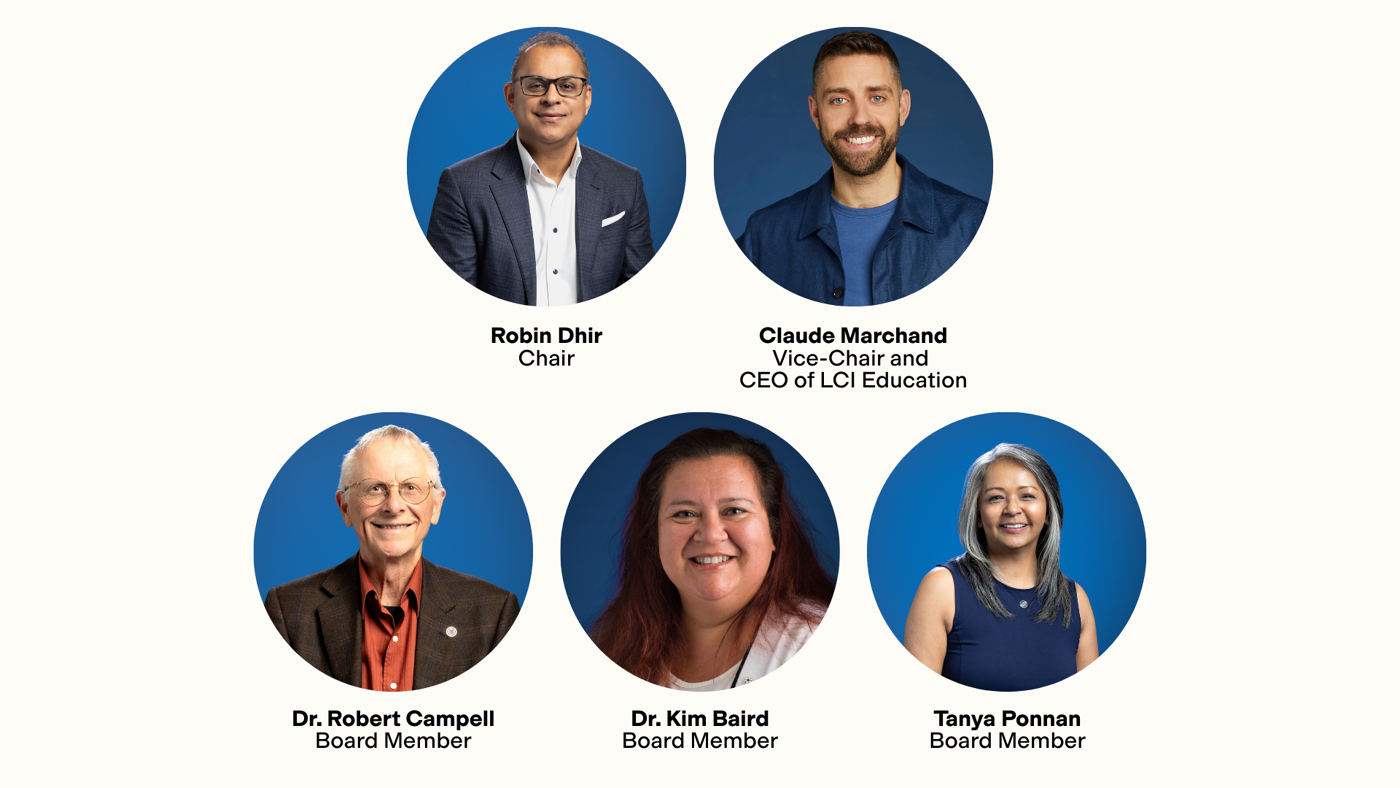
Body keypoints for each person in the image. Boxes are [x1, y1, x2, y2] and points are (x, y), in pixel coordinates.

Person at [737, 31, 986, 306]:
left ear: (902, 107)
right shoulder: (764, 237)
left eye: (877, 97)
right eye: (839, 100)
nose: (859, 118)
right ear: (816, 112)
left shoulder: (974, 228)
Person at [264, 425, 519, 691]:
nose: (394, 506)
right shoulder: (288, 612)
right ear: (345, 508)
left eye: (411, 487)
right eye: (375, 488)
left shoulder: (495, 613)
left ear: (436, 506)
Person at [592, 429, 834, 690]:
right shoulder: (612, 641)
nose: (710, 534)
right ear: (655, 537)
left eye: (734, 510)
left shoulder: (818, 644)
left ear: (774, 531)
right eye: (684, 514)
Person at [426, 31, 654, 305]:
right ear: (511, 97)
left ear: (587, 98)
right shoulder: (462, 186)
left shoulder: (625, 184)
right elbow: (453, 306)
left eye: (567, 86)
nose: (551, 97)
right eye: (535, 85)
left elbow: (639, 301)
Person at [904, 444, 1098, 691]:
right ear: (977, 515)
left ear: (1049, 511)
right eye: (996, 497)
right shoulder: (942, 588)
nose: (1012, 509)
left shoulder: (1075, 599)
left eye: (1027, 496)